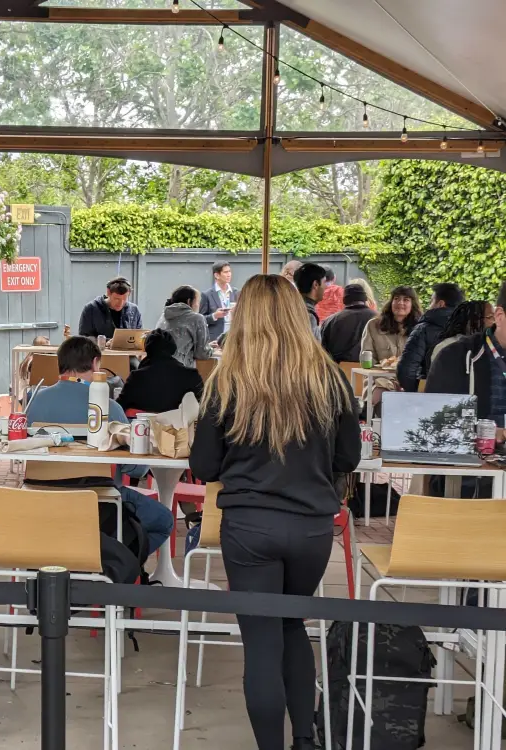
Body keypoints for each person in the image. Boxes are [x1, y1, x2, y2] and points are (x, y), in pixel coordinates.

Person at [189, 274, 360, 750]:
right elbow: (349, 458)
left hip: (249, 526)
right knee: (291, 626)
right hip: (311, 527)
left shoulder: (228, 381)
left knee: (262, 641)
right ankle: (304, 739)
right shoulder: (330, 379)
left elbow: (204, 466)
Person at [25, 336, 173, 556]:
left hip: (41, 495)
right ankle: (114, 565)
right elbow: (136, 469)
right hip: (100, 501)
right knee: (163, 520)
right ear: (95, 363)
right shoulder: (109, 407)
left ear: (60, 364)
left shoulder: (32, 402)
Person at [428, 282, 506, 435]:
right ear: (499, 316)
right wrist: (487, 432)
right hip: (479, 448)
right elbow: (437, 425)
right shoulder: (454, 357)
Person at [359, 285, 422, 406]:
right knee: (383, 395)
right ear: (391, 302)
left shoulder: (420, 328)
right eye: (396, 298)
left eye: (406, 300)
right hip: (379, 380)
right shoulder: (373, 325)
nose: (400, 303)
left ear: (412, 304)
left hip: (410, 381)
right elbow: (366, 358)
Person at [396, 282, 464, 392]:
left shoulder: (423, 329)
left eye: (431, 301)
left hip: (430, 392)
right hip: (464, 395)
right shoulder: (472, 329)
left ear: (440, 304)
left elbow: (406, 371)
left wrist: (417, 391)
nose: (429, 306)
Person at [117, 328, 203, 414]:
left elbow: (119, 407)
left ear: (147, 349)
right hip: (182, 422)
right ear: (173, 348)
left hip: (142, 422)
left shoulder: (136, 377)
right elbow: (205, 406)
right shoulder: (191, 375)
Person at [154, 285, 215, 369]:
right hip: (179, 369)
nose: (199, 305)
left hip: (156, 367)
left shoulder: (164, 315)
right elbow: (202, 354)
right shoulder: (197, 318)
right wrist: (211, 349)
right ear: (189, 301)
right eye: (198, 302)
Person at [320, 284, 378, 363]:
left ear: (344, 300)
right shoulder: (378, 319)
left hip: (338, 368)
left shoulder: (330, 321)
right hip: (370, 368)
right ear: (365, 299)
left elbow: (323, 351)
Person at [77, 276, 143, 341]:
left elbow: (139, 338)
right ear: (108, 292)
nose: (120, 303)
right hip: (99, 348)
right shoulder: (91, 309)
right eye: (117, 299)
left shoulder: (134, 310)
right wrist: (105, 342)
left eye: (124, 299)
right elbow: (83, 339)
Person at [431, 300, 494, 366]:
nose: (495, 321)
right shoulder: (446, 347)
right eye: (490, 317)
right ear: (471, 321)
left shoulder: (490, 345)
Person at [198, 262, 238, 343]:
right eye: (225, 272)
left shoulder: (236, 292)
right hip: (216, 338)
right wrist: (214, 316)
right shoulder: (207, 295)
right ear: (217, 275)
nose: (229, 274)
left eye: (230, 271)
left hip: (234, 336)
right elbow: (200, 319)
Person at [293, 262, 327, 340]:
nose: (326, 286)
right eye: (324, 282)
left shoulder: (292, 307)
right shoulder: (309, 316)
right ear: (315, 284)